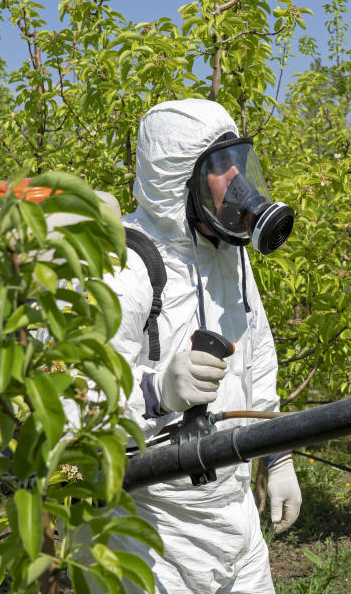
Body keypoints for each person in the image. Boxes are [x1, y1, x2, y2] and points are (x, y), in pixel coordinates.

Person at [102, 99, 301, 593]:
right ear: (180, 181)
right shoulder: (124, 264)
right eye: (218, 166)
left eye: (238, 160)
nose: (236, 178)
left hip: (234, 512)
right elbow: (77, 399)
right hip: (155, 524)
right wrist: (158, 393)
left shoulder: (230, 256)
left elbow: (258, 354)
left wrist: (278, 459)